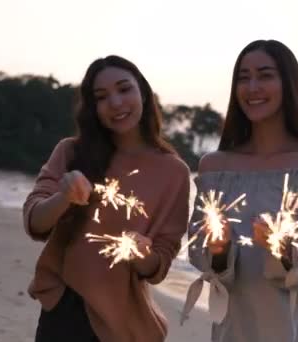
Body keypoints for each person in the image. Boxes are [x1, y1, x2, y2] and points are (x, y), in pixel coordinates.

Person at [182, 40, 298, 342]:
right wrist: (219, 250)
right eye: (243, 78)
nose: (253, 86)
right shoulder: (214, 169)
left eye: (265, 75)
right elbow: (200, 254)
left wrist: (287, 249)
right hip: (236, 328)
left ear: (288, 84)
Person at [23, 55, 190, 342]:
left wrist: (141, 253)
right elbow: (34, 223)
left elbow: (158, 266)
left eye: (124, 89)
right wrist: (64, 196)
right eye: (102, 97)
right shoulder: (70, 152)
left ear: (143, 92)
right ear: (93, 108)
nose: (115, 103)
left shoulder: (174, 172)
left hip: (123, 322)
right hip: (65, 309)